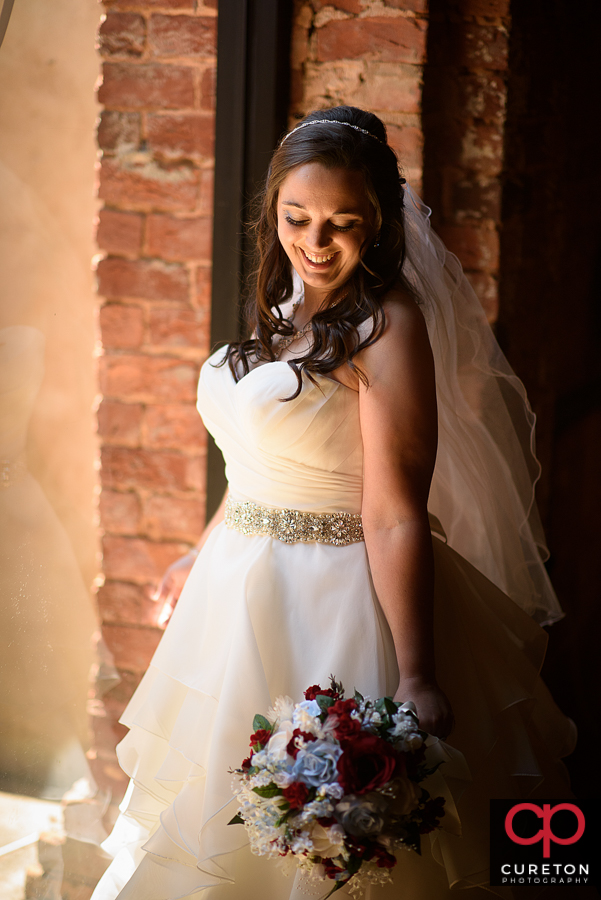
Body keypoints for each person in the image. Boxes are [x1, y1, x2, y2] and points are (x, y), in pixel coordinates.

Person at [92, 107, 575, 900]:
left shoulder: (388, 327)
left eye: (342, 224)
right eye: (297, 218)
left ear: (379, 226)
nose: (315, 244)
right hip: (239, 596)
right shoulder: (279, 313)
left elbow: (393, 510)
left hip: (340, 599)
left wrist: (416, 673)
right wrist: (202, 549)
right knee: (217, 823)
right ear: (272, 211)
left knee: (366, 850)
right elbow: (257, 466)